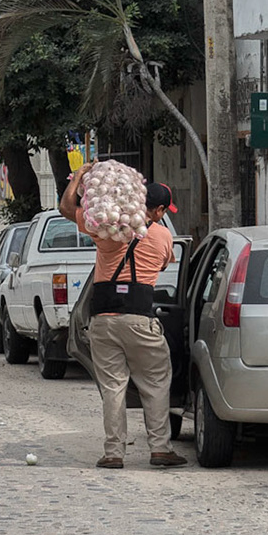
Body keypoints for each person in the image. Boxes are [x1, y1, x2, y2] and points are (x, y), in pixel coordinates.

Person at [60, 162, 185, 470]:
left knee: (113, 387)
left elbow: (65, 208)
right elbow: (164, 265)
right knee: (155, 382)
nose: (164, 215)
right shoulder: (163, 237)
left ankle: (114, 453)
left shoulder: (107, 230)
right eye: (164, 211)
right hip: (140, 320)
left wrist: (78, 177)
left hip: (103, 320)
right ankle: (160, 449)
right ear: (155, 211)